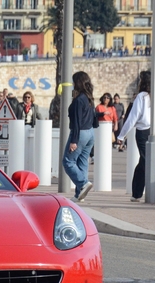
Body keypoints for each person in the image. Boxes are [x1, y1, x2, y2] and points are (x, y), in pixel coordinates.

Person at [116, 70, 155, 202]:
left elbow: (132, 118)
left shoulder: (141, 97)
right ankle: (137, 192)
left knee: (146, 162)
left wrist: (121, 136)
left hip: (143, 131)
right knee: (146, 161)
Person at [62, 71, 95, 203]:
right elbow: (94, 117)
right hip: (90, 133)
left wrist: (74, 141)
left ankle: (83, 183)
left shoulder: (78, 101)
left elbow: (76, 121)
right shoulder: (89, 98)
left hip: (80, 133)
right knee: (82, 163)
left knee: (68, 162)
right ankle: (78, 195)